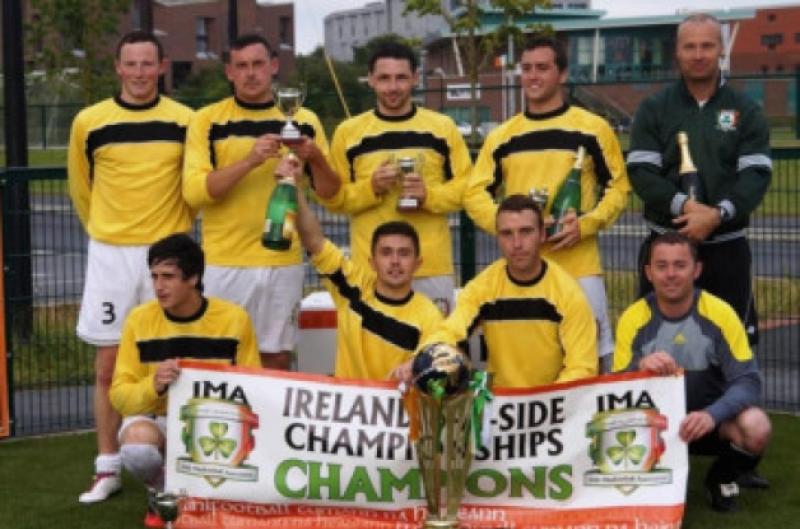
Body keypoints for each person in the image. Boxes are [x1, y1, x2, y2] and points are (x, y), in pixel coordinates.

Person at [67, 31, 194, 504]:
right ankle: (108, 467)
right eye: (131, 64)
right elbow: (82, 189)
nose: (140, 73)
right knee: (107, 365)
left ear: (162, 67)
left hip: (168, 253)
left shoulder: (186, 120)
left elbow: (194, 186)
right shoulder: (89, 121)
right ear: (117, 68)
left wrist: (174, 240)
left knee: (180, 361)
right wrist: (107, 231)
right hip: (111, 255)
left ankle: (180, 465)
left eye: (148, 64)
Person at [463, 36, 630, 373]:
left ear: (563, 74)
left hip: (579, 266)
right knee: (531, 365)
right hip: (522, 273)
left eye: (542, 68)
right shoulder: (502, 136)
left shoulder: (593, 128)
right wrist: (510, 225)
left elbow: (619, 188)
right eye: (526, 69)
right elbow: (473, 193)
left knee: (594, 364)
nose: (533, 76)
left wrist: (587, 223)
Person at [182, 34, 330, 370]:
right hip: (225, 261)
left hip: (282, 259)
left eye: (258, 64)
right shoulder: (207, 120)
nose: (251, 73)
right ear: (229, 72)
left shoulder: (304, 120)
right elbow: (195, 191)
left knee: (276, 357)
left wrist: (315, 157)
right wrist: (249, 161)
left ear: (274, 66)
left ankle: (270, 425)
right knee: (223, 357)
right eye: (241, 66)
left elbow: (330, 192)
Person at [626, 13, 771, 347]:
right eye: (689, 46)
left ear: (721, 49)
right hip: (667, 250)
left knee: (733, 351)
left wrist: (717, 214)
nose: (698, 54)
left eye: (707, 45)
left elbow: (756, 175)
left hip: (727, 249)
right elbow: (641, 173)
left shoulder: (745, 109)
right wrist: (686, 207)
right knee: (656, 351)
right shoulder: (654, 108)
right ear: (677, 52)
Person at [110, 233, 261, 528]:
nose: (158, 286)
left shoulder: (234, 319)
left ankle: (198, 493)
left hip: (216, 422)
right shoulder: (139, 320)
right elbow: (119, 395)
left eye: (168, 276)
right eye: (154, 276)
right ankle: (163, 492)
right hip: (160, 420)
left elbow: (252, 384)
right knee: (137, 448)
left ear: (193, 278)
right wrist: (153, 384)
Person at [613, 232, 771, 512]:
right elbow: (615, 389)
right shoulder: (633, 318)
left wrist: (712, 415)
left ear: (696, 270)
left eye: (680, 265)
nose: (671, 274)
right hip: (657, 428)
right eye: (662, 266)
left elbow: (748, 381)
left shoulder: (720, 314)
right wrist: (638, 368)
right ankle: (648, 475)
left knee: (756, 426)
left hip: (710, 425)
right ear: (649, 273)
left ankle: (719, 480)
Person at [316, 41, 473, 315]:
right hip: (371, 270)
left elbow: (469, 187)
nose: (393, 87)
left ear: (415, 78)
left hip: (430, 267)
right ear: (371, 81)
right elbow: (334, 198)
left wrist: (429, 196)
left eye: (401, 77)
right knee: (377, 355)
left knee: (434, 353)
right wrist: (371, 188)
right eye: (385, 78)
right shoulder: (349, 132)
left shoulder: (442, 128)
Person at [399, 194, 598, 388]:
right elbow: (451, 330)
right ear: (497, 237)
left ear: (542, 235)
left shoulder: (568, 293)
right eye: (507, 234)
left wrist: (543, 402)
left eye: (526, 231)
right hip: (498, 406)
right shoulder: (483, 288)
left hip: (552, 408)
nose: (517, 243)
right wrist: (420, 357)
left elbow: (582, 367)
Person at [280, 156, 443, 380]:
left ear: (418, 263)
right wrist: (295, 186)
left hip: (399, 410)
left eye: (404, 253)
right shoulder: (352, 286)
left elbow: (437, 366)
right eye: (386, 253)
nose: (395, 261)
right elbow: (314, 241)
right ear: (372, 262)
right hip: (351, 409)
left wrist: (417, 365)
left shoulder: (429, 315)